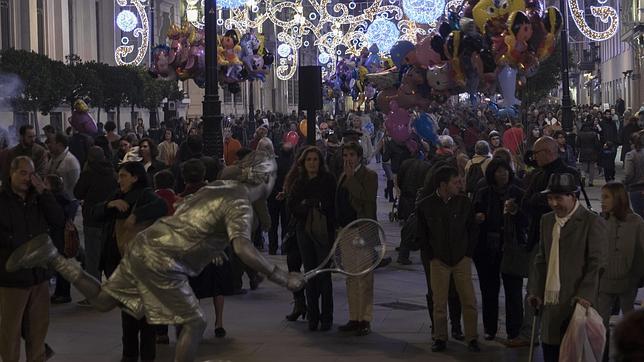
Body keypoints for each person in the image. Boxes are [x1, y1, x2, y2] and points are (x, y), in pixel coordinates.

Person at [6, 151, 304, 362]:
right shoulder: (240, 203)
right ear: (264, 178)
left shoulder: (222, 187)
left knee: (103, 301)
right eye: (273, 175)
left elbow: (187, 209)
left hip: (147, 244)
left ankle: (53, 256)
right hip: (164, 261)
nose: (274, 180)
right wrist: (282, 277)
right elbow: (244, 248)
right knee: (195, 322)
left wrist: (211, 249)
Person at [506, 136, 582, 348]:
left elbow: (534, 202)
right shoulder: (542, 174)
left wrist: (535, 200)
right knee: (536, 286)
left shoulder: (566, 174)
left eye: (537, 153)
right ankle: (531, 332)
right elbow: (528, 202)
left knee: (547, 286)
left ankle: (538, 332)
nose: (533, 157)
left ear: (549, 152)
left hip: (558, 239)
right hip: (540, 237)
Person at [527, 173, 606, 362]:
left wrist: (585, 294)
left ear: (573, 196)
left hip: (576, 303)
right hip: (549, 302)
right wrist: (535, 290)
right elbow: (541, 258)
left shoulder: (591, 222)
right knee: (551, 351)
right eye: (550, 198)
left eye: (558, 198)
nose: (554, 203)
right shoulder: (547, 220)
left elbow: (598, 262)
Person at [0, 156, 65, 362]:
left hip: (39, 276)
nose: (27, 179)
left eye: (31, 174)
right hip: (13, 278)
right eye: (22, 173)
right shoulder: (2, 199)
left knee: (38, 331)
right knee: (10, 332)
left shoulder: (38, 198)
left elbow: (58, 220)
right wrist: (24, 248)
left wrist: (44, 192)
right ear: (11, 173)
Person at [416, 166, 480, 352]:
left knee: (468, 300)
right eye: (455, 182)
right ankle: (440, 337)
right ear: (444, 185)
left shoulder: (464, 202)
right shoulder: (426, 205)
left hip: (461, 258)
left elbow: (472, 229)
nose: (459, 185)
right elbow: (423, 234)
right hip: (438, 259)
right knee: (439, 301)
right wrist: (431, 256)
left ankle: (472, 337)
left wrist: (468, 253)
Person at [473, 159, 526, 341]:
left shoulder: (518, 193)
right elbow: (473, 216)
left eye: (505, 170)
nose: (502, 174)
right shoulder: (483, 193)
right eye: (498, 171)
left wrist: (516, 211)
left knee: (513, 291)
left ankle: (514, 330)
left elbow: (527, 220)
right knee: (489, 290)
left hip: (511, 248)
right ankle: (490, 328)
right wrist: (477, 218)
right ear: (492, 174)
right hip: (487, 249)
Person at [286, 146, 336, 331]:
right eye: (309, 160)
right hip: (304, 230)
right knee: (309, 273)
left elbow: (330, 204)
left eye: (315, 159)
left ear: (320, 162)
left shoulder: (328, 180)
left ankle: (327, 317)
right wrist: (309, 205)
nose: (312, 163)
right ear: (303, 163)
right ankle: (313, 317)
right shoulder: (300, 182)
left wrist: (309, 203)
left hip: (323, 231)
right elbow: (292, 204)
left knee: (324, 273)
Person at [336, 142, 378, 336]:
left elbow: (366, 198)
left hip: (362, 230)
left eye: (352, 155)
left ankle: (365, 319)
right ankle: (354, 317)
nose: (348, 159)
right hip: (346, 231)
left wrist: (352, 179)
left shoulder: (369, 175)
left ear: (359, 156)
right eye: (345, 155)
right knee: (351, 277)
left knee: (364, 278)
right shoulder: (342, 175)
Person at [597, 182, 644, 328]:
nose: (602, 201)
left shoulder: (636, 222)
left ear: (618, 198)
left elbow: (641, 252)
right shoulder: (600, 221)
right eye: (601, 197)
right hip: (604, 281)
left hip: (628, 280)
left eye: (606, 197)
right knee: (600, 323)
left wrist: (637, 276)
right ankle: (602, 350)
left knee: (630, 321)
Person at [73, 147, 118, 285]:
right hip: (110, 220)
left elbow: (78, 193)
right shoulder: (113, 173)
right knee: (111, 256)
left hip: (92, 219)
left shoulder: (89, 173)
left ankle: (95, 290)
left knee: (93, 258)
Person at [44, 174, 79, 305]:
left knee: (61, 266)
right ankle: (61, 293)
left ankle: (63, 294)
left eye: (45, 183)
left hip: (58, 236)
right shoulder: (64, 197)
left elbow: (55, 218)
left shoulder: (55, 199)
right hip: (61, 236)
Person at [45, 133, 81, 199]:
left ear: (60, 145)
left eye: (51, 143)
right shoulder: (53, 158)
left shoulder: (71, 161)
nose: (48, 145)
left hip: (66, 202)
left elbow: (75, 187)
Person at [624, 132, 644, 217]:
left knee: (639, 216)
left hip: (636, 188)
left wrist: (625, 182)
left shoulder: (630, 155)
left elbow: (629, 173)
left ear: (630, 142)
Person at [577, 122, 601, 187]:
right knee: (591, 167)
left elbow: (578, 144)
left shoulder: (580, 134)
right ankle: (590, 182)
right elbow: (597, 144)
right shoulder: (594, 134)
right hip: (592, 152)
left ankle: (583, 176)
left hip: (583, 151)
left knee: (583, 166)